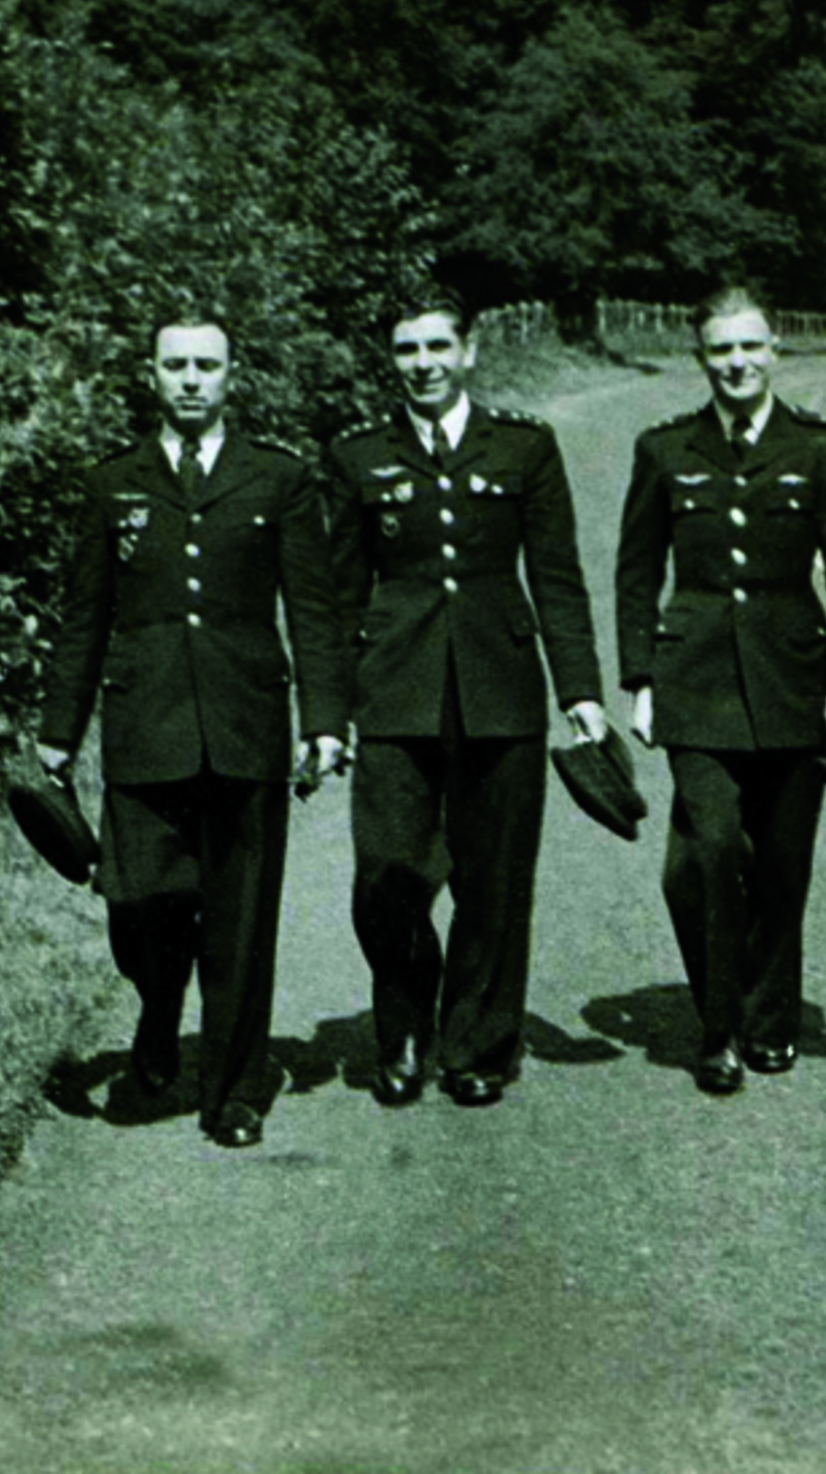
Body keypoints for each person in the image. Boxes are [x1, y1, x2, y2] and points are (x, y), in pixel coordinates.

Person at [37, 316, 349, 1149]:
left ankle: (235, 1090)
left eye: (206, 365)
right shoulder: (113, 483)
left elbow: (313, 612)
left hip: (248, 724)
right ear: (151, 374)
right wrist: (59, 730)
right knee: (138, 900)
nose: (190, 379)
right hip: (145, 724)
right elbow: (84, 616)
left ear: (231, 376)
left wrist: (325, 721)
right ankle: (159, 1000)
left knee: (242, 917)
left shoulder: (279, 478)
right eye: (174, 364)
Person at [323, 300, 608, 1109]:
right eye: (406, 349)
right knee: (387, 874)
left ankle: (477, 1043)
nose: (423, 363)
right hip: (395, 689)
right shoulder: (356, 454)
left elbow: (556, 578)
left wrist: (580, 691)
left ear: (469, 352)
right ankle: (405, 1025)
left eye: (438, 346)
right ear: (391, 359)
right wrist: (328, 714)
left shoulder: (524, 446)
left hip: (501, 686)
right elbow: (338, 597)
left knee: (495, 879)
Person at [614, 287, 826, 1095]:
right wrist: (641, 677)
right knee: (706, 855)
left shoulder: (823, 448)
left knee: (783, 866)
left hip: (793, 679)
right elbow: (636, 572)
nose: (736, 363)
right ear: (701, 359)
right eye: (720, 350)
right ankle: (718, 1025)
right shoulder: (665, 449)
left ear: (774, 351)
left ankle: (770, 1022)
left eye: (749, 347)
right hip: (693, 681)